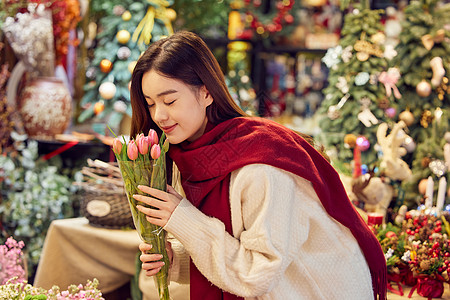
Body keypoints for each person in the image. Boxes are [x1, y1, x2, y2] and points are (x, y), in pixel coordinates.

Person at [129, 31, 387, 300]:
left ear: (206, 93)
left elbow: (257, 275)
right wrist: (177, 262)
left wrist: (182, 217)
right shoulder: (191, 158)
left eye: (169, 101)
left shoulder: (260, 166)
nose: (159, 115)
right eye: (150, 104)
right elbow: (241, 248)